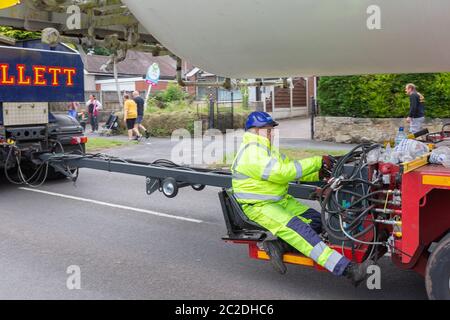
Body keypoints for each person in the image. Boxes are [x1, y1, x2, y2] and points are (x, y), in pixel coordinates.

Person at [231, 111, 375, 286]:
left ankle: (277, 245)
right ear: (253, 131)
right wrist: (316, 162)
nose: (272, 133)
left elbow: (291, 168)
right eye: (267, 130)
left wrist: (319, 172)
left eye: (271, 129)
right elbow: (281, 173)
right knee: (301, 232)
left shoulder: (265, 150)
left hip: (277, 201)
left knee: (317, 221)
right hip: (259, 206)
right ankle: (349, 270)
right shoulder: (252, 152)